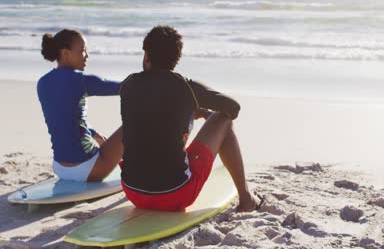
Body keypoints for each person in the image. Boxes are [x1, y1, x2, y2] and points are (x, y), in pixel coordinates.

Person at [119, 25, 262, 212]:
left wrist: (187, 112)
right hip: (174, 195)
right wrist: (200, 105)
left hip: (134, 193)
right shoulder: (186, 88)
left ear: (146, 55)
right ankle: (246, 198)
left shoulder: (128, 85)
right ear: (176, 59)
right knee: (224, 119)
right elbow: (233, 108)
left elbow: (153, 117)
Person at [38, 29, 123, 182]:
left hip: (60, 167)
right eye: (83, 50)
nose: (87, 55)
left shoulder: (42, 83)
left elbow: (64, 118)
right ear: (65, 54)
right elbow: (125, 88)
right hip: (88, 169)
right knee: (133, 125)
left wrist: (93, 133)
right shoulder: (81, 80)